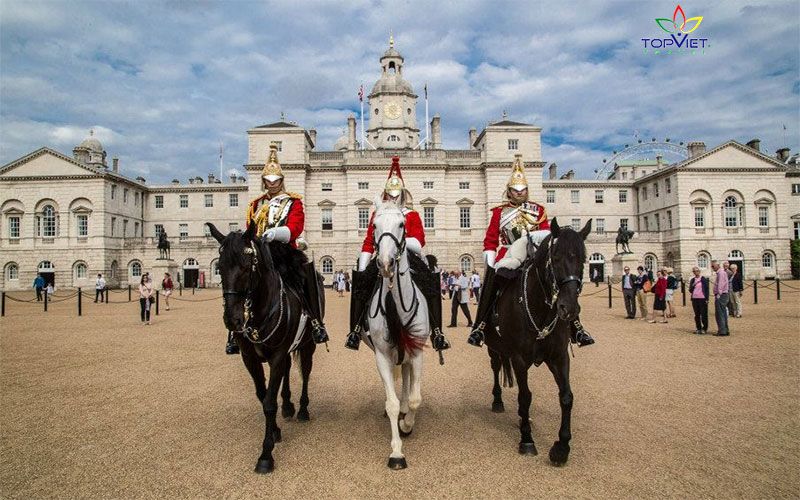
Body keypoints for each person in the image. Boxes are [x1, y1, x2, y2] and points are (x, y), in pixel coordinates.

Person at [469, 154, 594, 348]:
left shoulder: (538, 209)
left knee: (562, 284)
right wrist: (490, 260)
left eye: (523, 190)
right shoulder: (498, 213)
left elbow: (545, 233)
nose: (519, 193)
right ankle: (480, 325)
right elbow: (491, 238)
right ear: (509, 191)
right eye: (515, 190)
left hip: (535, 254)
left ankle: (576, 327)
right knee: (491, 285)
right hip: (509, 255)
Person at [345, 156, 450, 353]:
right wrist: (363, 263)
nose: (393, 197)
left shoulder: (412, 215)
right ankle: (356, 329)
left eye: (396, 194)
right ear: (385, 194)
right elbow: (369, 240)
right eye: (389, 194)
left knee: (430, 281)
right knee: (361, 284)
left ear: (402, 194)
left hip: (408, 259)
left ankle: (437, 331)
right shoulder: (379, 215)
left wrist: (399, 244)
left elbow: (419, 242)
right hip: (382, 256)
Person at [246, 142, 328, 345]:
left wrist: (276, 233)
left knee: (305, 277)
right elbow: (249, 227)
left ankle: (315, 321)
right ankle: (234, 333)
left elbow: (296, 227)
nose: (272, 183)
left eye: (275, 180)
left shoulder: (293, 202)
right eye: (268, 180)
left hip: (283, 251)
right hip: (259, 252)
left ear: (281, 180)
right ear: (264, 181)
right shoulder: (256, 204)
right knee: (239, 283)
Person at [711, 260, 730, 336]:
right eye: (712, 266)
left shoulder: (721, 273)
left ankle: (722, 331)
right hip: (723, 294)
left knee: (720, 313)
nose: (712, 268)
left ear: (718, 265)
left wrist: (719, 293)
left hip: (721, 295)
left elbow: (721, 284)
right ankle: (725, 329)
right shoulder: (721, 272)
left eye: (713, 266)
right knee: (723, 313)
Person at [688, 266, 709, 334]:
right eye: (694, 271)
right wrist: (693, 285)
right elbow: (690, 290)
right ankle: (698, 328)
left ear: (699, 271)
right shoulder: (692, 280)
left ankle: (704, 328)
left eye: (697, 271)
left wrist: (707, 298)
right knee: (697, 314)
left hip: (702, 298)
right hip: (695, 298)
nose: (695, 272)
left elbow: (706, 289)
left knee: (704, 314)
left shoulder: (703, 279)